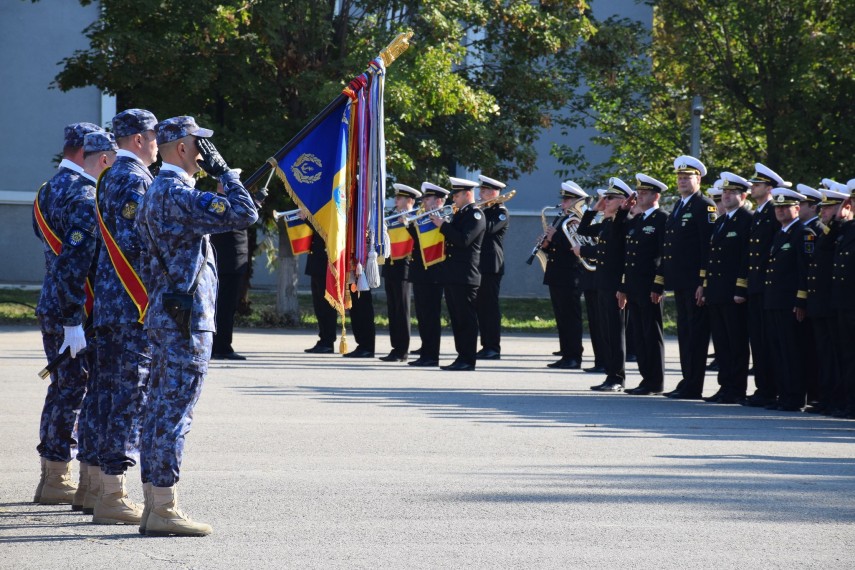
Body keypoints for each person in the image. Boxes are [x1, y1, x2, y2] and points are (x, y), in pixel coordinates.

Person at [136, 116, 259, 536]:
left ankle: (155, 503)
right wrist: (226, 175)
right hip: (186, 320)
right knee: (175, 412)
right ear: (183, 149)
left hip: (166, 312)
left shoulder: (156, 190)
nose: (205, 153)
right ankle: (165, 506)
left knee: (157, 409)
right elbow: (246, 213)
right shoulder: (179, 193)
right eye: (199, 145)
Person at [31, 122, 105, 508]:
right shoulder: (84, 195)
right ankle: (59, 476)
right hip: (76, 307)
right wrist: (75, 318)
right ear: (84, 150)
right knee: (79, 391)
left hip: (52, 301)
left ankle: (52, 476)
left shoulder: (46, 190)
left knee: (63, 388)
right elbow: (75, 262)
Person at [91, 109, 158, 525]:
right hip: (131, 303)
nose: (157, 143)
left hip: (111, 302)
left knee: (106, 395)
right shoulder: (134, 178)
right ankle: (113, 495)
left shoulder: (108, 175)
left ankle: (97, 486)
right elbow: (139, 240)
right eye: (153, 135)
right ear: (136, 138)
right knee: (128, 399)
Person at [655, 155, 716, 399]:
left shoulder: (704, 206)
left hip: (694, 283)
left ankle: (694, 384)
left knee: (696, 334)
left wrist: (704, 282)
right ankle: (687, 378)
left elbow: (707, 247)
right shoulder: (680, 206)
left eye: (686, 177)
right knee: (685, 332)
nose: (681, 181)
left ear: (698, 179)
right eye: (679, 177)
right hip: (680, 282)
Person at [698, 172, 752, 404]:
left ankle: (736, 388)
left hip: (733, 292)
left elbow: (745, 258)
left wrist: (740, 288)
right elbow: (712, 258)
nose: (727, 196)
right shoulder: (722, 221)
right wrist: (705, 285)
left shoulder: (746, 220)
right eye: (725, 193)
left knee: (736, 342)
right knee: (721, 343)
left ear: (743, 195)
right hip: (717, 291)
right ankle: (725, 386)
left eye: (732, 193)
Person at [736, 163, 784, 408]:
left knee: (768, 341)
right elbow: (750, 253)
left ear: (770, 188)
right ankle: (763, 388)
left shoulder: (774, 211)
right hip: (756, 286)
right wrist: (743, 285)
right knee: (759, 341)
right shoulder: (759, 213)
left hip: (767, 287)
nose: (753, 187)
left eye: (757, 184)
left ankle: (770, 389)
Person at [763, 187, 815, 411]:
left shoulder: (803, 234)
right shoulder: (781, 233)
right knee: (778, 351)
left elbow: (806, 271)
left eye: (786, 207)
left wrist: (801, 300)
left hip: (790, 304)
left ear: (797, 208)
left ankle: (795, 397)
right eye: (779, 207)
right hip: (775, 302)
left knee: (792, 351)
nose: (781, 211)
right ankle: (784, 395)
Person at [577, 178, 631, 392]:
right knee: (606, 331)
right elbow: (583, 230)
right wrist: (593, 209)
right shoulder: (607, 223)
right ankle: (610, 374)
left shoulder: (622, 224)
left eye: (610, 198)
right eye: (604, 198)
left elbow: (613, 254)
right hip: (602, 282)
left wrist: (583, 252)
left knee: (616, 332)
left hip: (615, 284)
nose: (605, 201)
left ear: (623, 201)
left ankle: (617, 377)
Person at [620, 174, 668, 395]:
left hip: (650, 287)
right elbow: (627, 256)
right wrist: (624, 286)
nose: (639, 196)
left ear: (656, 196)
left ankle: (655, 381)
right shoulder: (637, 220)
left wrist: (658, 285)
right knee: (638, 335)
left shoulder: (662, 219)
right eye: (638, 192)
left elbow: (663, 256)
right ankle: (645, 378)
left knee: (651, 333)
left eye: (645, 193)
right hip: (634, 286)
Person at [433, 176, 485, 371]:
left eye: (457, 194)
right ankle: (461, 356)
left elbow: (464, 240)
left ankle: (468, 359)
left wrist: (443, 226)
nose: (453, 198)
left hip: (466, 275)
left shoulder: (475, 215)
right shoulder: (460, 213)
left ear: (467, 194)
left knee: (466, 319)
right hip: (454, 274)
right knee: (456, 318)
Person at [805, 180, 848, 415]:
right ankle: (829, 397)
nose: (823, 212)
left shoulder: (840, 231)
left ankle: (839, 399)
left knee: (837, 354)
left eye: (828, 208)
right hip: (822, 303)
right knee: (826, 354)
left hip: (833, 303)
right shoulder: (829, 232)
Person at [541, 181, 588, 370]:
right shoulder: (563, 219)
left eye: (567, 200)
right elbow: (559, 248)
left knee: (570, 317)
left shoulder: (578, 220)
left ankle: (574, 356)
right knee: (561, 317)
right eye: (563, 199)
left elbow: (575, 247)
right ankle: (566, 353)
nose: (563, 203)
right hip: (557, 274)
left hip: (570, 275)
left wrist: (554, 238)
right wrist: (547, 245)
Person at [407, 182, 450, 367]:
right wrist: (409, 226)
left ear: (439, 200)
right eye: (424, 199)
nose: (423, 202)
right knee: (423, 316)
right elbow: (418, 242)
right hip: (420, 271)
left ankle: (432, 355)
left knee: (431, 316)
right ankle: (426, 351)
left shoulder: (446, 216)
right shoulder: (424, 217)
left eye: (428, 198)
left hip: (435, 271)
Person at [212, 169, 250, 360]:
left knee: (227, 307)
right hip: (228, 263)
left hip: (234, 262)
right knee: (224, 308)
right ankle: (222, 347)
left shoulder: (229, 203)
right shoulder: (221, 203)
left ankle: (222, 345)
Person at [379, 183, 420, 362]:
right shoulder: (392, 217)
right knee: (393, 309)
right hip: (390, 265)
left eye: (400, 198)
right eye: (396, 197)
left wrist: (408, 223)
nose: (396, 200)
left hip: (404, 265)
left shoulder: (415, 218)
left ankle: (402, 350)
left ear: (410, 200)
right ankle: (395, 347)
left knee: (402, 310)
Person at [474, 175, 509, 360]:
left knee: (489, 307)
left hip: (491, 264)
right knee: (481, 307)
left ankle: (493, 347)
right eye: (481, 190)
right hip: (480, 264)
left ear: (495, 192)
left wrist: (476, 211)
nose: (480, 194)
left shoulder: (500, 212)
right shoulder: (484, 210)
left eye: (485, 191)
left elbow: (486, 228)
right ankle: (485, 345)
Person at [831, 180, 855, 419]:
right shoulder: (848, 229)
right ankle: (849, 402)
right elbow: (830, 234)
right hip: (844, 304)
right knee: (846, 355)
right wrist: (843, 209)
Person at [303, 227, 338, 354]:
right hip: (316, 259)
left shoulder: (328, 209)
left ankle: (328, 341)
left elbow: (323, 225)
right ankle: (323, 339)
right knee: (318, 305)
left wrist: (307, 218)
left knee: (326, 305)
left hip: (324, 260)